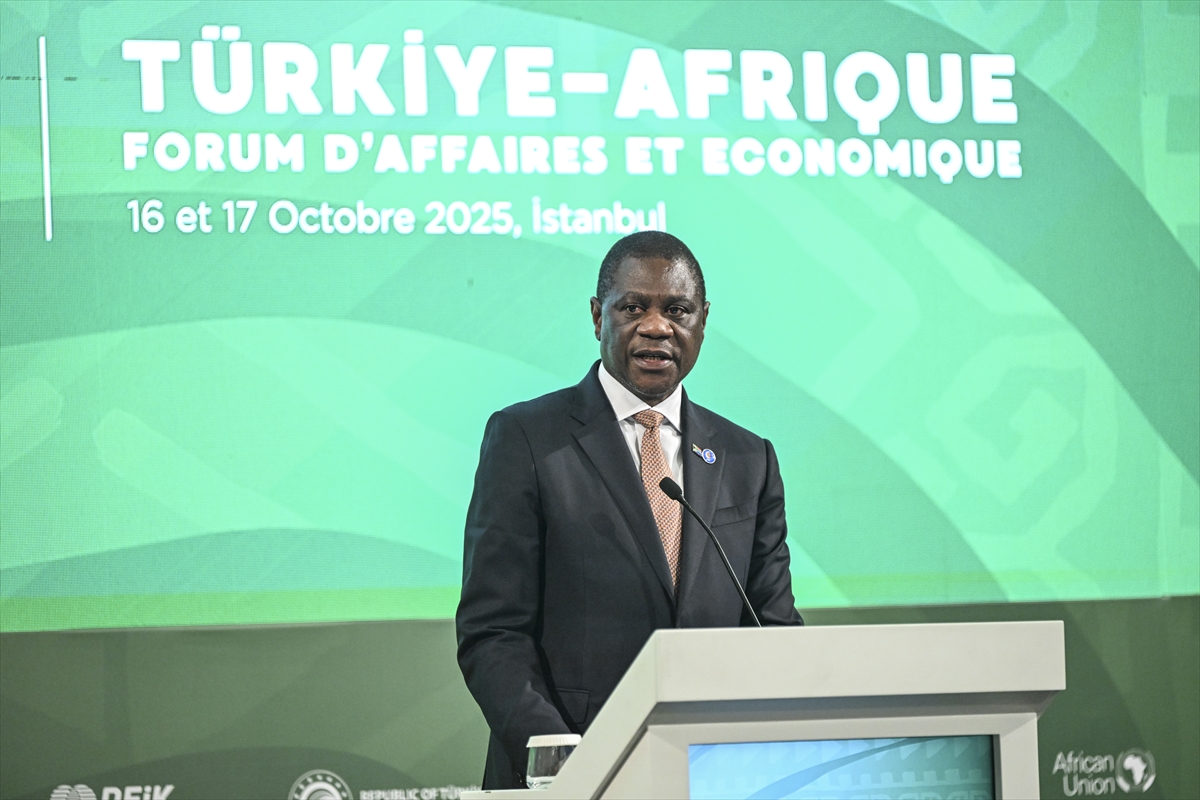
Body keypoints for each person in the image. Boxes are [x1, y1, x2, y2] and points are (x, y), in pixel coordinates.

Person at [456, 231, 803, 788]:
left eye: (677, 310)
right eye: (633, 307)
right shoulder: (526, 438)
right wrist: (558, 759)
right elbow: (493, 631)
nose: (656, 327)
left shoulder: (748, 458)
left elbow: (774, 629)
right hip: (570, 774)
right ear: (598, 316)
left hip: (711, 770)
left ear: (703, 321)